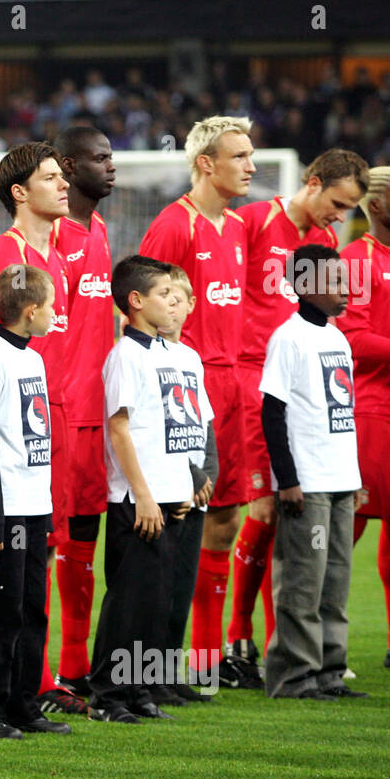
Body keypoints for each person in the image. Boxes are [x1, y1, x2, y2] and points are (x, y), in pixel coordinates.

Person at [0, 141, 84, 716]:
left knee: (31, 592)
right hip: (3, 459)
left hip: (39, 446)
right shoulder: (3, 257)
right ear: (19, 191)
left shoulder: (54, 252)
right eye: (53, 177)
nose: (64, 185)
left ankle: (26, 696)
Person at [233, 150, 368, 665]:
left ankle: (289, 648)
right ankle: (238, 638)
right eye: (338, 203)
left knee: (287, 524)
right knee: (261, 511)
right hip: (252, 380)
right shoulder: (251, 221)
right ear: (312, 184)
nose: (341, 216)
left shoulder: (327, 242)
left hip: (302, 389)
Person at [139, 116, 256, 688]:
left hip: (231, 390)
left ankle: (204, 661)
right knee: (177, 521)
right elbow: (141, 311)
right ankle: (153, 664)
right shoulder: (173, 226)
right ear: (206, 163)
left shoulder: (236, 228)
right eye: (240, 156)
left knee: (224, 518)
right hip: (184, 391)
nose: (251, 166)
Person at [0, 264, 69, 739]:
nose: (55, 314)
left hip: (31, 504)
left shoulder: (33, 359)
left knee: (30, 608)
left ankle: (23, 704)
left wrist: (42, 511)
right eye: (50, 306)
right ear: (30, 311)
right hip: (2, 510)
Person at [88, 255, 198, 723]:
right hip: (139, 500)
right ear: (135, 302)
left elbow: (186, 424)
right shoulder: (125, 355)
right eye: (163, 295)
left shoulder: (174, 355)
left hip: (174, 496)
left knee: (157, 601)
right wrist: (144, 494)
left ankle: (139, 692)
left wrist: (188, 484)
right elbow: (119, 429)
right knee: (128, 601)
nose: (174, 304)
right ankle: (107, 696)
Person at [259, 245, 366, 699]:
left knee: (336, 580)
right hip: (310, 483)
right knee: (304, 580)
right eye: (336, 282)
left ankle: (329, 671)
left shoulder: (338, 338)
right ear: (304, 286)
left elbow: (341, 410)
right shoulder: (289, 338)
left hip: (340, 479)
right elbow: (272, 411)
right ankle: (294, 676)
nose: (347, 290)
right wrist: (287, 480)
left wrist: (355, 476)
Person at [335, 167, 390, 671]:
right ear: (373, 203)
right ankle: (326, 648)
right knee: (348, 529)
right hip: (369, 411)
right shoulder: (353, 259)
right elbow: (352, 340)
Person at [47, 124, 116, 699]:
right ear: (68, 167)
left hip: (97, 410)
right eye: (99, 158)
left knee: (84, 541)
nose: (111, 166)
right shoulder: (51, 238)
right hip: (59, 411)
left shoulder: (98, 229)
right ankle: (43, 670)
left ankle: (74, 665)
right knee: (51, 543)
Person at [157, 266, 216, 705]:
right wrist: (193, 477)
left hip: (197, 488)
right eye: (168, 296)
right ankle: (150, 675)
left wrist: (208, 473)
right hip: (169, 487)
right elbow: (154, 425)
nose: (175, 305)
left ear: (193, 306)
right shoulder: (147, 356)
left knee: (182, 584)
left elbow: (204, 422)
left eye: (182, 298)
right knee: (157, 587)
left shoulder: (191, 358)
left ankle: (170, 671)